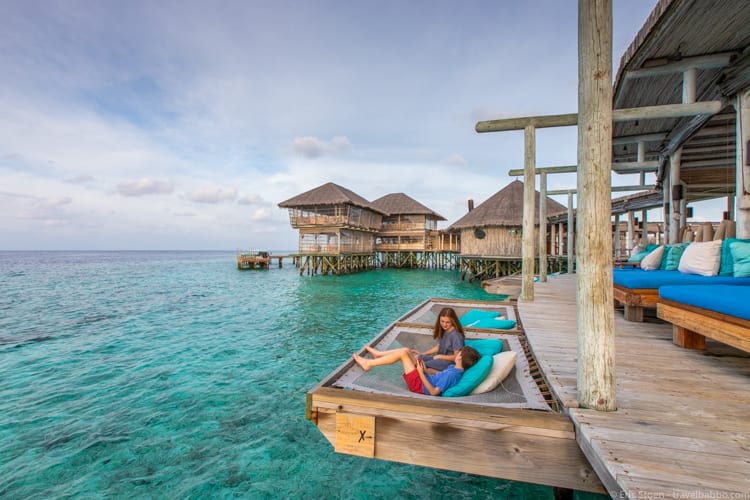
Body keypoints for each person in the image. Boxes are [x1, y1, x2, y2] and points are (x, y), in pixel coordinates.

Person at [352, 345, 480, 396]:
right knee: (407, 350)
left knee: (402, 354)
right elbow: (438, 375)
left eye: (459, 353)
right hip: (424, 376)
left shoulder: (452, 375)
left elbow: (434, 392)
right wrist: (426, 370)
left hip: (420, 386)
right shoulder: (455, 369)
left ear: (460, 357)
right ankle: (379, 355)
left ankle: (369, 363)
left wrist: (420, 373)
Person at [412, 307, 465, 373]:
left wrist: (440, 356)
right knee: (416, 358)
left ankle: (432, 373)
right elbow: (438, 347)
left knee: (420, 365)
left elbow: (456, 357)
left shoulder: (456, 336)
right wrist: (423, 353)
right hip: (439, 358)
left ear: (453, 321)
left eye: (448, 322)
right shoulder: (443, 330)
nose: (444, 325)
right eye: (442, 321)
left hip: (449, 362)